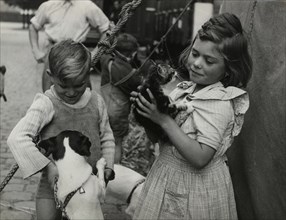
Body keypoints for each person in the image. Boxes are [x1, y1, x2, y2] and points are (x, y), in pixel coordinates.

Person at [130, 13, 252, 219]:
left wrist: (163, 120)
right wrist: (147, 114)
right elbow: (161, 140)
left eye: (209, 60)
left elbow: (200, 157)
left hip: (196, 190)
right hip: (166, 177)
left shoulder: (218, 103)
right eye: (195, 53)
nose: (196, 63)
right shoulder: (182, 90)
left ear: (228, 69)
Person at [7, 39, 115, 220]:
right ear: (50, 76)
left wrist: (109, 166)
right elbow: (17, 138)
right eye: (63, 86)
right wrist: (48, 167)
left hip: (87, 186)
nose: (71, 92)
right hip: (52, 187)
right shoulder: (46, 103)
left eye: (79, 85)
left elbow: (107, 137)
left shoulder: (96, 102)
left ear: (89, 75)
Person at [29, 0, 110, 92]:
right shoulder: (48, 5)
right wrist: (36, 51)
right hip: (53, 52)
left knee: (83, 93)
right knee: (49, 93)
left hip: (76, 53)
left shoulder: (87, 6)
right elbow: (33, 27)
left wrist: (95, 53)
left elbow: (107, 29)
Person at [100, 33, 145, 163]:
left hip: (104, 110)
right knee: (116, 143)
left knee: (104, 142)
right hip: (119, 115)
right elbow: (140, 86)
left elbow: (104, 51)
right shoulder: (130, 73)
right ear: (131, 54)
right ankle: (114, 170)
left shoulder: (106, 61)